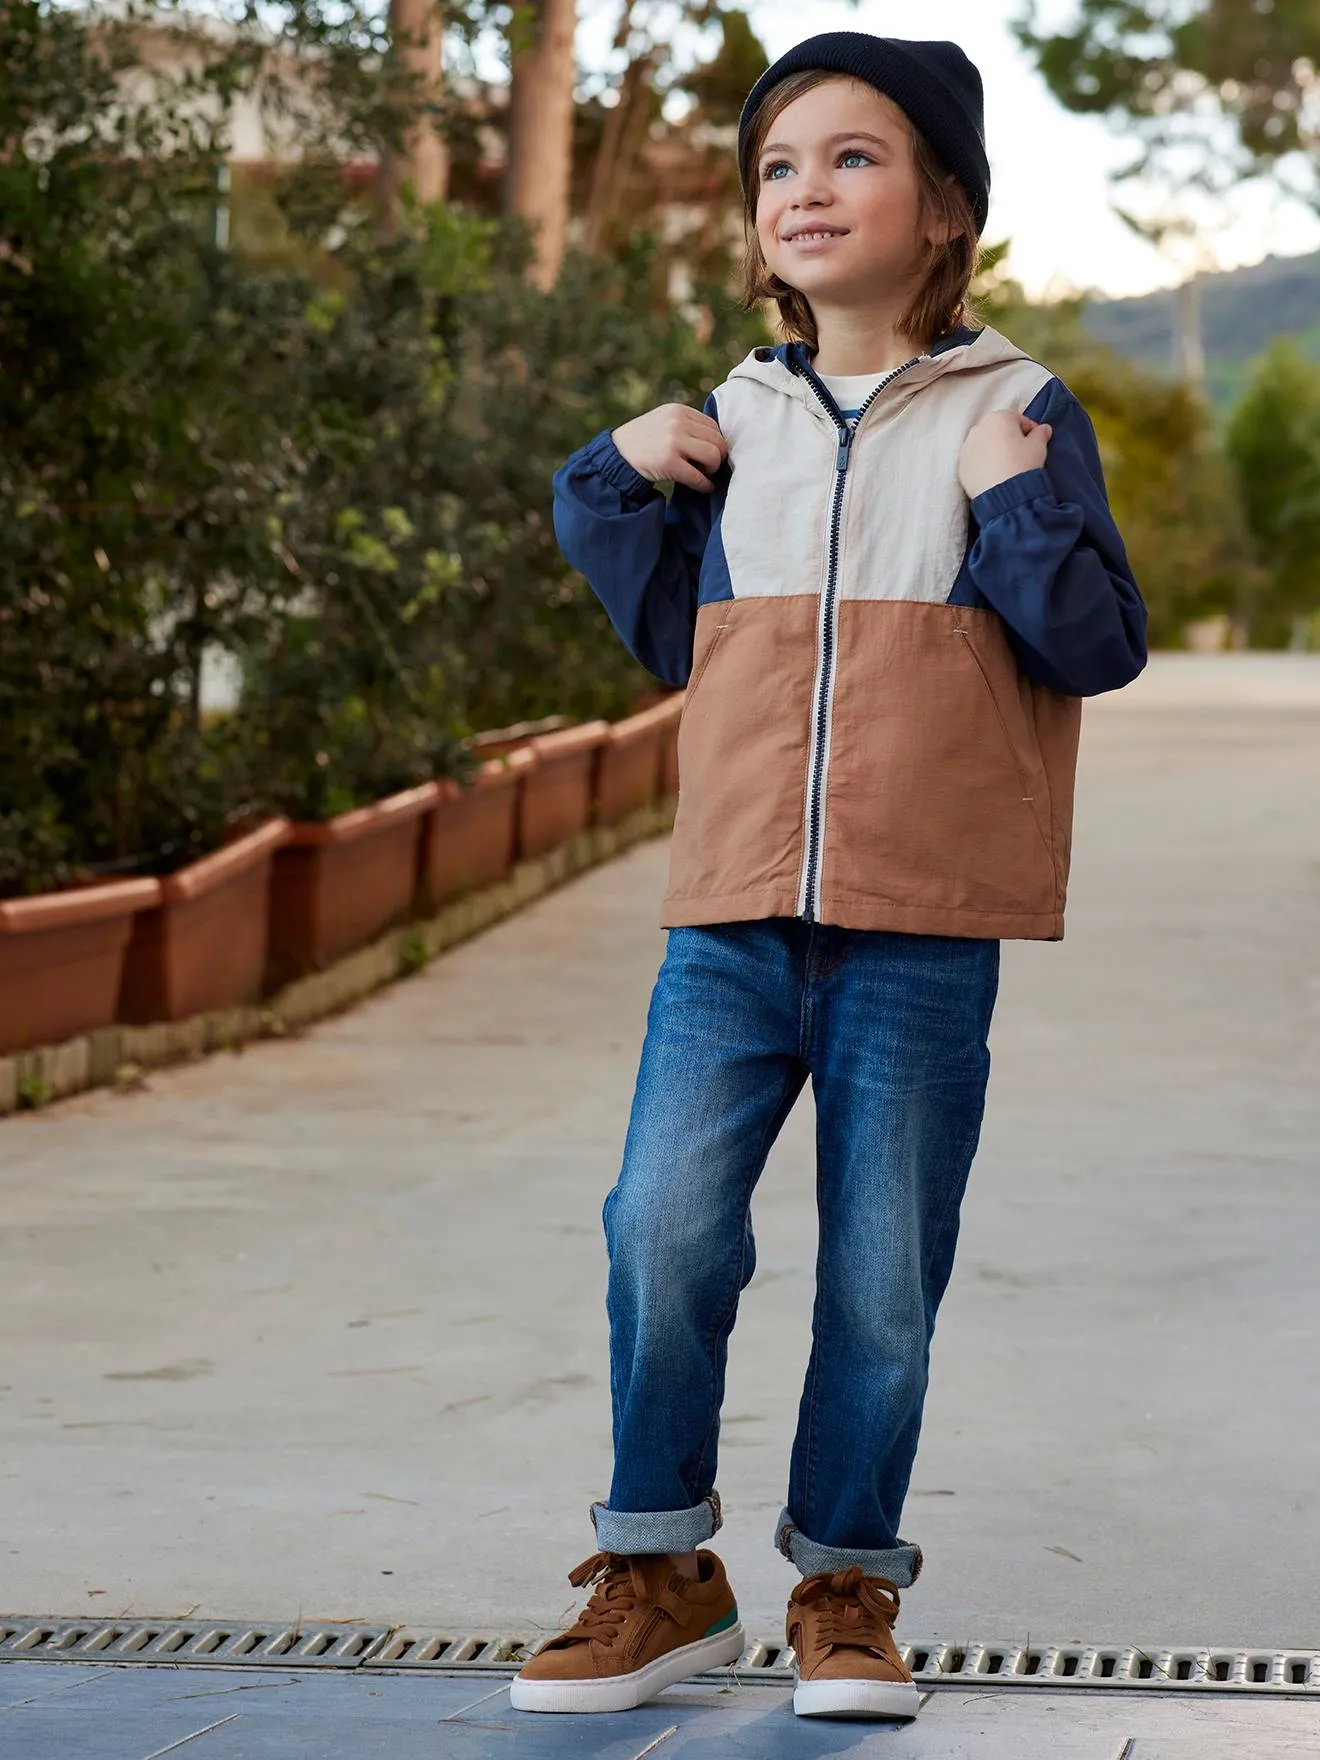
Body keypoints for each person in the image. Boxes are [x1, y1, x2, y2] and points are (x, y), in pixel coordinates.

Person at [512, 30, 1147, 1722]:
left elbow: (1097, 644)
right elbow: (686, 652)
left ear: (944, 208)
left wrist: (1015, 510)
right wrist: (610, 476)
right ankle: (659, 1569)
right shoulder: (733, 417)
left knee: (881, 1269)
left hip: (921, 929)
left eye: (852, 159)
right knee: (658, 1226)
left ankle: (848, 1586)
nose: (806, 191)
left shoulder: (1019, 412)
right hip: (728, 918)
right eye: (780, 167)